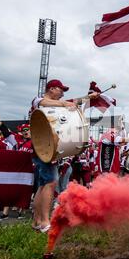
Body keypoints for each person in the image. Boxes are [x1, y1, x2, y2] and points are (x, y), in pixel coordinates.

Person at [30, 79, 99, 233]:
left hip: (45, 149)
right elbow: (48, 104)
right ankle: (45, 222)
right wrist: (64, 104)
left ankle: (37, 221)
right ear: (51, 88)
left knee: (42, 185)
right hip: (44, 149)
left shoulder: (57, 102)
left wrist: (89, 97)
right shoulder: (38, 100)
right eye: (61, 90)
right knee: (50, 183)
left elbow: (73, 101)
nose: (62, 94)